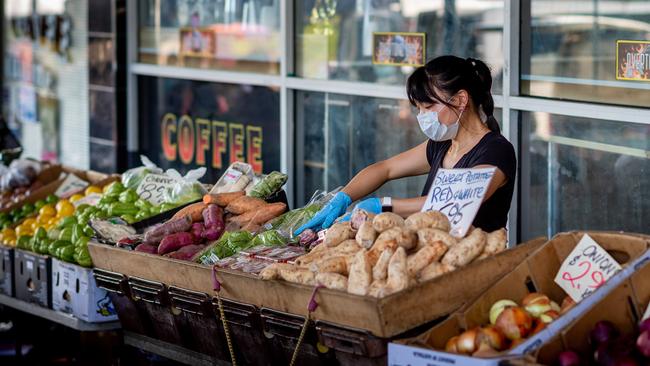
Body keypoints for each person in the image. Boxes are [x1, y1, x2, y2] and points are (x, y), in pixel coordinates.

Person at [296, 55, 516, 234]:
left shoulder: (496, 151)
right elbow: (385, 168)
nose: (422, 116)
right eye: (418, 108)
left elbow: (454, 203)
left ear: (460, 100)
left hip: (476, 266)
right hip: (433, 255)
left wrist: (383, 205)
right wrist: (343, 197)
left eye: (428, 106)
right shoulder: (442, 145)